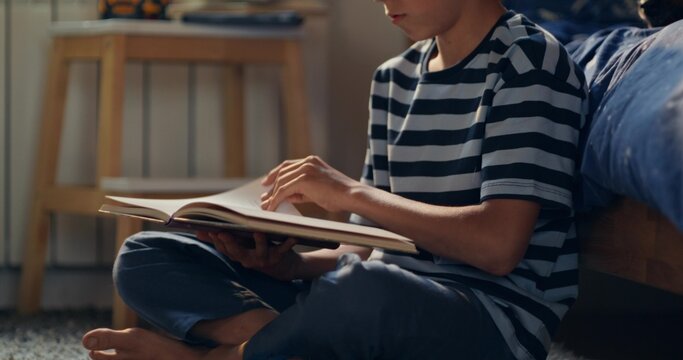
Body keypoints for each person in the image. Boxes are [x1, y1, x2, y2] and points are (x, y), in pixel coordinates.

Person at [82, 0, 587, 359]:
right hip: (372, 299)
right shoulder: (394, 79)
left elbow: (499, 245)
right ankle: (278, 342)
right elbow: (364, 251)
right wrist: (290, 266)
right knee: (147, 255)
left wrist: (349, 192)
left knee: (361, 294)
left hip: (485, 322)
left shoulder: (529, 63)